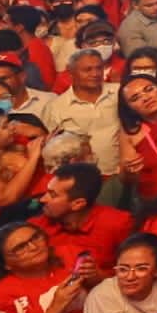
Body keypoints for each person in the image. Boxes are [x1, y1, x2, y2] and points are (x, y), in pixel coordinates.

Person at [41, 51, 122, 206]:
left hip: (122, 175)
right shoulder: (56, 107)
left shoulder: (120, 92)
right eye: (88, 70)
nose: (96, 73)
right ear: (71, 73)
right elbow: (52, 150)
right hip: (82, 185)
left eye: (99, 68)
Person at [30, 163, 134, 273]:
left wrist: (98, 277)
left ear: (78, 204)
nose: (42, 199)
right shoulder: (35, 227)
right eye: (47, 191)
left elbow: (133, 272)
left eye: (53, 195)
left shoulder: (119, 224)